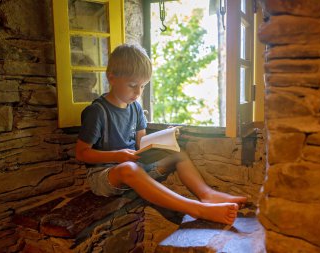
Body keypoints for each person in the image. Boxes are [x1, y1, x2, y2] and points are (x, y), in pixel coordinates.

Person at [75, 43, 247, 225]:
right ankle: (197, 209)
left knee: (178, 153)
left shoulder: (135, 108)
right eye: (133, 85)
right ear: (112, 78)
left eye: (143, 86)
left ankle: (207, 195)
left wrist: (165, 141)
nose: (138, 92)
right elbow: (82, 153)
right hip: (106, 175)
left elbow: (142, 144)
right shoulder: (97, 111)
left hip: (134, 165)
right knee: (129, 169)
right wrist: (118, 156)